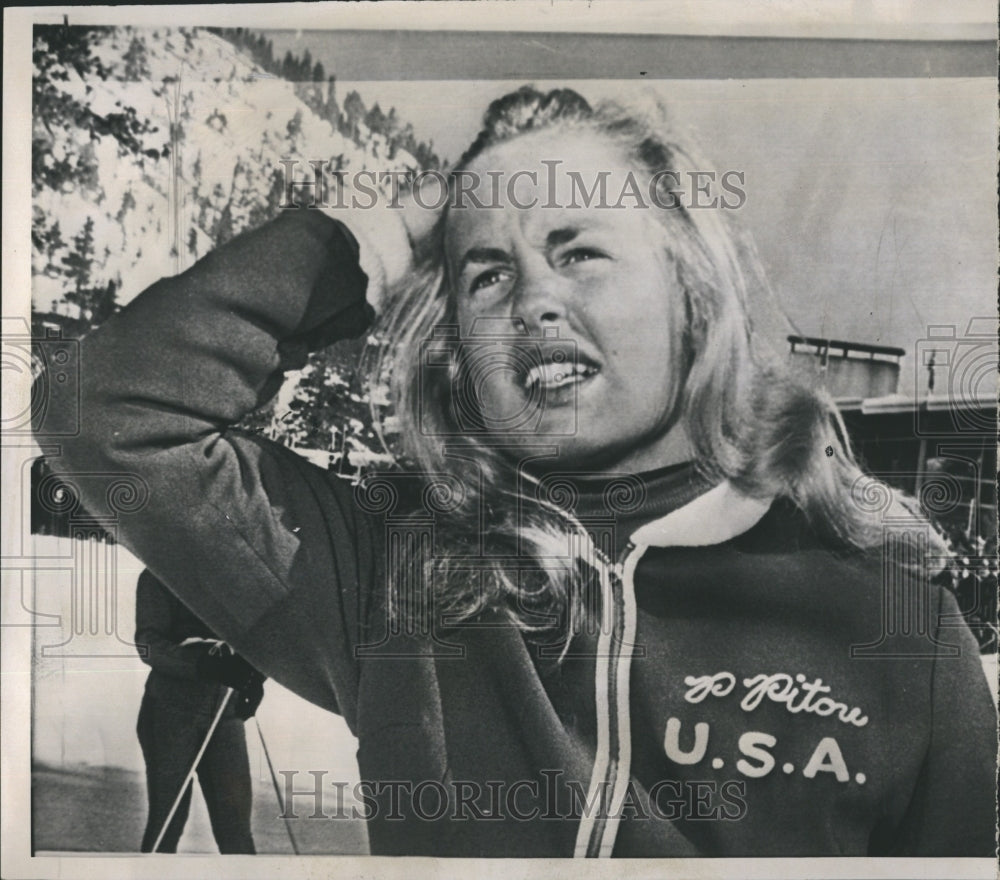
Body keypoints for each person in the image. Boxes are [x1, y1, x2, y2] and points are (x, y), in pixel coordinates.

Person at [43, 86, 996, 857]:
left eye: (579, 250)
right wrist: (364, 243)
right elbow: (108, 411)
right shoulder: (394, 578)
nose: (535, 296)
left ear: (692, 299)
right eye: (487, 274)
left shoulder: (893, 620)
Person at [134, 568, 263, 853]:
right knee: (168, 820)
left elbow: (259, 635)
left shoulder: (235, 575)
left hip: (226, 714)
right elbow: (148, 644)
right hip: (170, 711)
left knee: (236, 827)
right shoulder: (159, 572)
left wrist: (255, 679)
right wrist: (203, 663)